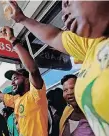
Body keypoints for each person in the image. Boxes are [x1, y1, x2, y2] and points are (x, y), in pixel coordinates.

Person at [7, 1, 109, 135]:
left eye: (68, 2)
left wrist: (15, 41)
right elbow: (55, 36)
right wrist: (22, 19)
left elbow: (33, 70)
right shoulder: (93, 44)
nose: (63, 15)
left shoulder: (34, 95)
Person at [0, 27, 48, 136]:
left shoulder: (36, 95)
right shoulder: (16, 100)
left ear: (27, 80)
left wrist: (13, 40)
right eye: (11, 80)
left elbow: (33, 70)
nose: (12, 83)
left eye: (16, 78)